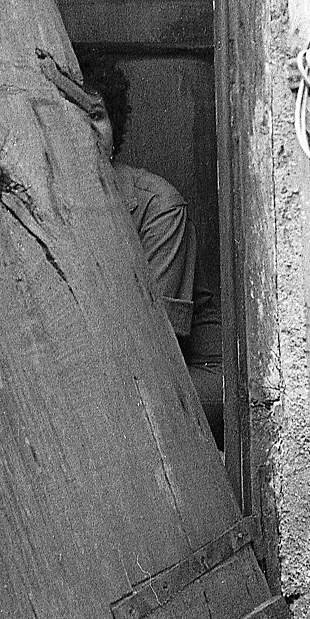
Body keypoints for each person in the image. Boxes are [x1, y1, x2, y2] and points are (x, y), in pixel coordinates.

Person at [79, 51, 224, 447]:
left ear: (114, 127)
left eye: (96, 116)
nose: (85, 129)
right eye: (73, 116)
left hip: (192, 373)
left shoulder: (158, 204)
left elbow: (155, 339)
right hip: (116, 370)